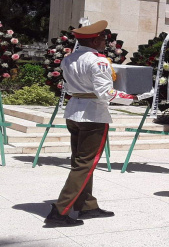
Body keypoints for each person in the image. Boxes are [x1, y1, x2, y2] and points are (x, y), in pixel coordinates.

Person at [44, 20, 153, 226]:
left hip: (74, 111)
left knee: (80, 162)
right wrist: (135, 97)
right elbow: (106, 94)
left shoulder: (69, 59)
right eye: (104, 38)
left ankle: (87, 206)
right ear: (95, 40)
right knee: (85, 164)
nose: (105, 41)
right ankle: (61, 210)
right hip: (93, 114)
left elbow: (68, 88)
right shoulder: (98, 61)